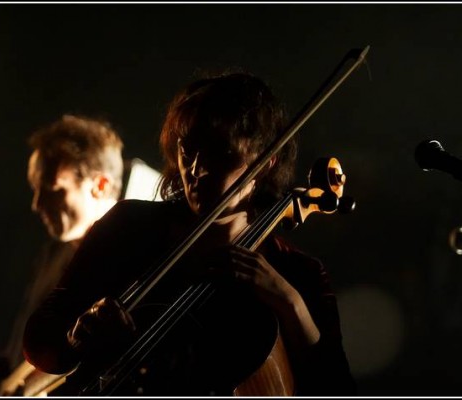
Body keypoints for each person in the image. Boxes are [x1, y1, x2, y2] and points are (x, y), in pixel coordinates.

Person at [23, 72, 356, 396]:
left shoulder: (298, 275)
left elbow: (336, 389)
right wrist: (75, 337)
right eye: (187, 150)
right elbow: (39, 339)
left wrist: (289, 301)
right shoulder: (128, 225)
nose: (195, 170)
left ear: (265, 162)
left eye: (219, 154)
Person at [0, 114, 124, 396]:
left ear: (99, 185)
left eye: (51, 189)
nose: (37, 204)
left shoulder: (127, 261)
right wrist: (1, 368)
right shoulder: (53, 254)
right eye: (36, 190)